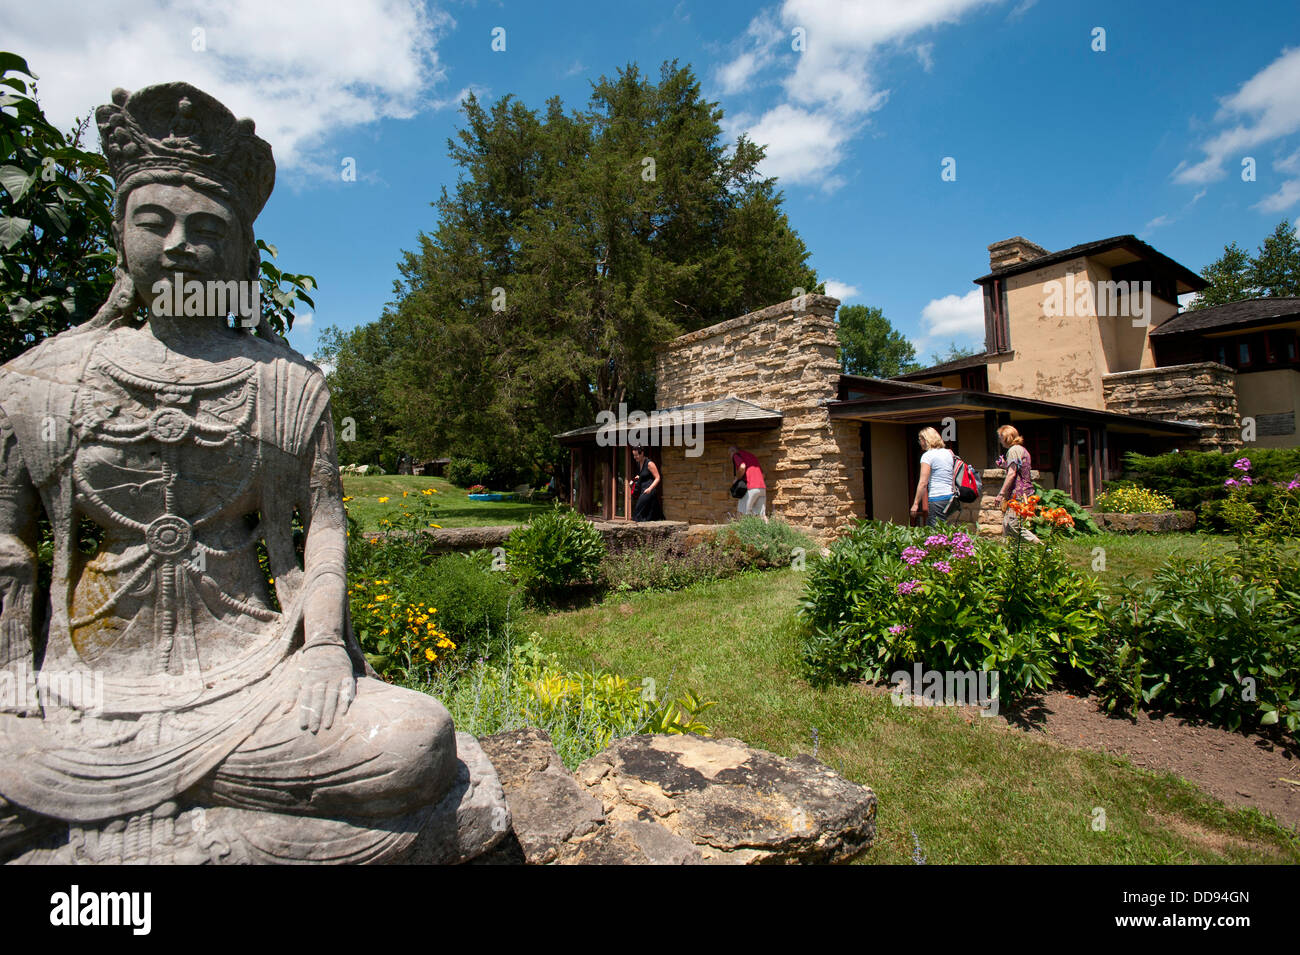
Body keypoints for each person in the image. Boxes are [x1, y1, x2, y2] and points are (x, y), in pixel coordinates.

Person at [0, 82, 463, 864]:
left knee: (414, 741)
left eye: (208, 227)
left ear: (242, 253)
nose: (180, 243)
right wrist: (13, 670)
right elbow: (6, 539)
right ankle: (238, 839)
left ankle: (148, 842)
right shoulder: (41, 381)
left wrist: (321, 648)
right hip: (81, 691)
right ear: (121, 237)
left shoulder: (287, 384)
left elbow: (321, 523)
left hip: (257, 673)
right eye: (155, 222)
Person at [993, 424, 1042, 544]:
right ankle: (1009, 555)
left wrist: (1001, 494)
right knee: (1007, 525)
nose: (999, 441)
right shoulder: (1021, 449)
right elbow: (1018, 469)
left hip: (1019, 494)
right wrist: (1005, 465)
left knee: (1013, 525)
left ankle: (1042, 547)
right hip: (1024, 492)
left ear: (1006, 437)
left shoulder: (1013, 450)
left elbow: (1012, 474)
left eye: (1000, 437)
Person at [910, 427, 957, 527]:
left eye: (920, 439)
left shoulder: (927, 456)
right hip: (951, 498)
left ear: (926, 440)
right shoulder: (949, 453)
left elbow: (923, 482)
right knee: (950, 531)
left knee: (936, 534)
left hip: (937, 498)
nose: (919, 442)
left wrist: (916, 504)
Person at [729, 445, 769, 522]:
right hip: (762, 488)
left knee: (741, 514)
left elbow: (742, 466)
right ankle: (768, 532)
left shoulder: (736, 455)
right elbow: (763, 475)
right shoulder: (752, 456)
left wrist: (738, 478)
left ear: (732, 451)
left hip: (751, 487)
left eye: (729, 454)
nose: (730, 457)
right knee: (761, 516)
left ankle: (740, 533)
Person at [629, 444, 662, 521]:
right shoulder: (638, 463)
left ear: (642, 453)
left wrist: (650, 489)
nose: (634, 457)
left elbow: (658, 478)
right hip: (643, 490)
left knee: (638, 512)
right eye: (634, 455)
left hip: (648, 491)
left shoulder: (650, 464)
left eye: (636, 455)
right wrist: (636, 479)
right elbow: (643, 475)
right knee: (648, 515)